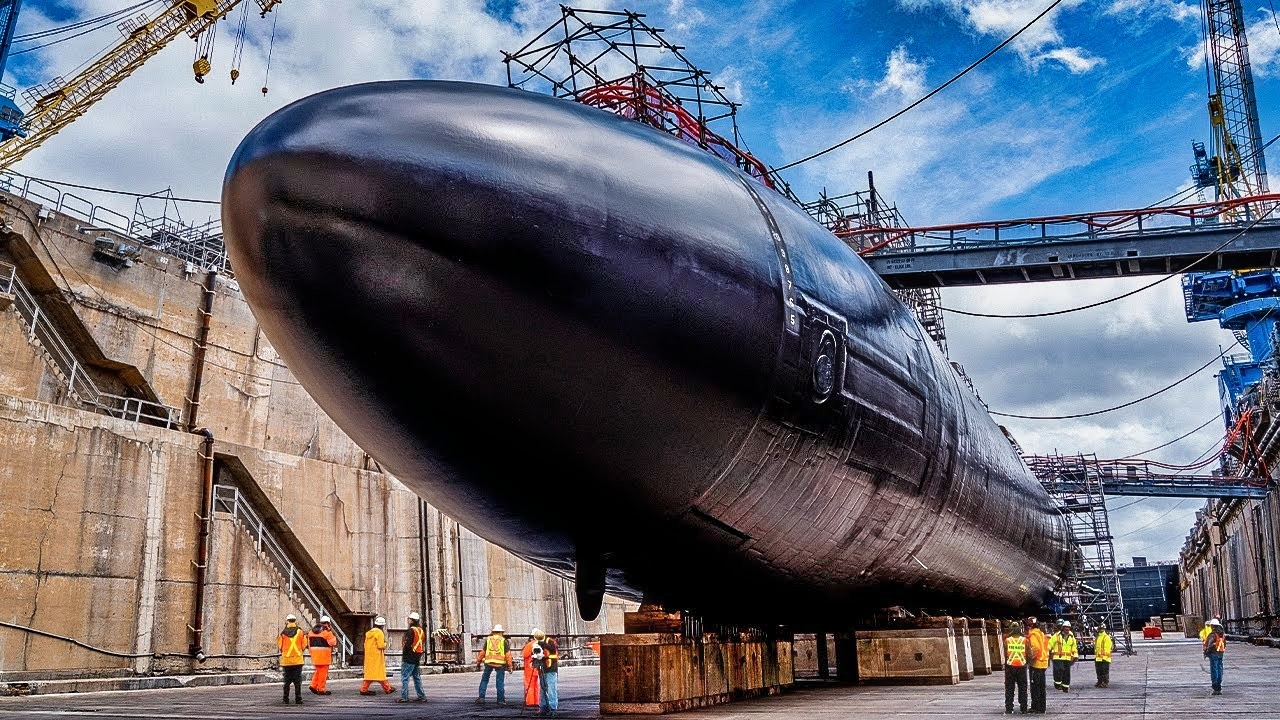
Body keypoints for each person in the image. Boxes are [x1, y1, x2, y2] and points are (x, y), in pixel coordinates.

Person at [476, 623, 513, 704]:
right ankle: (500, 700)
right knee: (499, 681)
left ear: (494, 632)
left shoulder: (488, 639)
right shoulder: (504, 641)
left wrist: (478, 661)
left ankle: (481, 698)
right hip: (500, 664)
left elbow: (483, 652)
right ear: (501, 632)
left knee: (484, 680)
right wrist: (510, 666)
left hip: (488, 662)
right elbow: (508, 654)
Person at [360, 616, 395, 695]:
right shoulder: (379, 633)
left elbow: (365, 645)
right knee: (380, 673)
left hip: (369, 656)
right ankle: (387, 688)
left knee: (370, 674)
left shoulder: (369, 633)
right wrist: (386, 644)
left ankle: (364, 689)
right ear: (382, 625)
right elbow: (380, 645)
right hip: (377, 656)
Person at [277, 613, 307, 705]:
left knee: (287, 681)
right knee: (297, 681)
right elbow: (304, 644)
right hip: (298, 660)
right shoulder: (300, 632)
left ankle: (285, 699)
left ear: (287, 621)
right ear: (295, 621)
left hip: (286, 661)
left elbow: (280, 645)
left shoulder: (282, 633)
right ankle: (298, 699)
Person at [399, 611, 427, 703]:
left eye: (409, 619)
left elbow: (408, 644)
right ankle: (422, 696)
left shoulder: (411, 630)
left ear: (412, 620)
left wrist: (404, 653)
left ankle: (404, 697)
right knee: (416, 677)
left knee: (405, 677)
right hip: (417, 656)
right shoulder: (421, 630)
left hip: (409, 656)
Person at [308, 615, 338, 695]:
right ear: (328, 623)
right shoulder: (327, 632)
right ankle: (321, 689)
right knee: (323, 673)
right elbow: (333, 642)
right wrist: (333, 634)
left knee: (318, 671)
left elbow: (308, 643)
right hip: (324, 655)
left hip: (314, 654)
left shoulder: (311, 631)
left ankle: (313, 685)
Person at [1003, 621, 1028, 715]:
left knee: (1009, 689)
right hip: (1021, 667)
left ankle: (1009, 709)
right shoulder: (1024, 640)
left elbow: (1005, 654)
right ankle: (1024, 708)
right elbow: (1028, 653)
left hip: (1010, 667)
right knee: (1023, 688)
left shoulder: (1007, 640)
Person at [1025, 616, 1049, 714]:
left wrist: (1028, 659)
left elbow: (1035, 648)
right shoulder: (1041, 633)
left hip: (1036, 664)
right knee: (1041, 687)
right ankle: (1042, 707)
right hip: (1043, 663)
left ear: (1030, 625)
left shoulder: (1033, 635)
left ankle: (1037, 707)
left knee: (1035, 687)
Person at [534, 630, 560, 717]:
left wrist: (544, 647)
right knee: (542, 688)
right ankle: (543, 707)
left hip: (551, 668)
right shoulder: (537, 644)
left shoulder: (550, 642)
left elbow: (553, 651)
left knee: (551, 688)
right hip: (542, 668)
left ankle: (553, 708)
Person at [1048, 621, 1078, 693]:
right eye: (1065, 627)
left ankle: (1065, 687)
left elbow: (1074, 647)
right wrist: (1047, 653)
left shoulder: (1072, 637)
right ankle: (1057, 684)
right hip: (1057, 657)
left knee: (1066, 673)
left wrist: (1075, 656)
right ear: (1063, 628)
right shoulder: (1056, 636)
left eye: (1068, 627)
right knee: (1059, 669)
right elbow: (1050, 644)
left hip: (1067, 658)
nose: (1067, 629)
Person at [1203, 618, 1226, 695]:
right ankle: (1219, 685)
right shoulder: (1222, 634)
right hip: (1220, 653)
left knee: (1214, 669)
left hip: (1213, 653)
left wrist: (1206, 653)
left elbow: (1209, 645)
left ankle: (1215, 686)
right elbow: (1224, 644)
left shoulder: (1212, 635)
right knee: (1219, 669)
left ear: (1213, 626)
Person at [522, 629, 542, 709]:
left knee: (529, 685)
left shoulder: (530, 644)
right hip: (538, 668)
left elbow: (525, 654)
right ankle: (537, 701)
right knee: (537, 685)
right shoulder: (542, 644)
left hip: (529, 668)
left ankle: (530, 702)